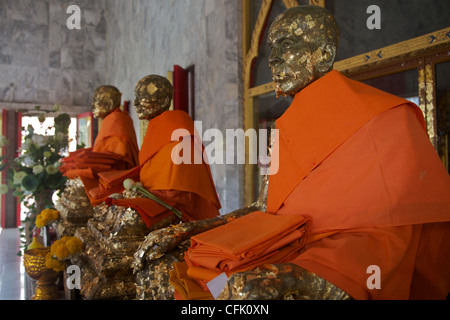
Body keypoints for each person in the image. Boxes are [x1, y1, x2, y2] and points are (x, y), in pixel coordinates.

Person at [139, 5, 450, 300]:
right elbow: (263, 209)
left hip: (348, 260)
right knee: (163, 269)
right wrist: (185, 230)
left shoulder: (385, 117)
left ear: (324, 55)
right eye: (271, 48)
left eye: (285, 45)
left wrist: (295, 273)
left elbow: (396, 235)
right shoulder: (287, 125)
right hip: (284, 243)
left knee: (247, 290)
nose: (272, 60)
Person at [103, 75, 221, 228]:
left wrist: (139, 194)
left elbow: (180, 195)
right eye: (136, 97)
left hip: (176, 214)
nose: (136, 103)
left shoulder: (179, 135)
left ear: (164, 101)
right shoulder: (155, 129)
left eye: (142, 97)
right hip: (152, 200)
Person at [59, 85, 139, 205]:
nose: (93, 105)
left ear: (110, 103)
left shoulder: (117, 119)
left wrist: (89, 163)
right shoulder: (111, 119)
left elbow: (115, 157)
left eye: (96, 101)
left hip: (114, 176)